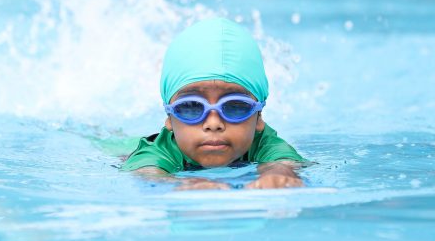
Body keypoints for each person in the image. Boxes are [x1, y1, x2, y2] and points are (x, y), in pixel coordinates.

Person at [122, 17, 307, 189]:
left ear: (259, 117)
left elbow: (285, 163)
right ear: (169, 118)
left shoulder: (264, 143)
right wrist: (178, 184)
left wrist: (280, 173)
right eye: (191, 107)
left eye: (235, 106)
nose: (213, 124)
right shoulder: (157, 152)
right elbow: (146, 174)